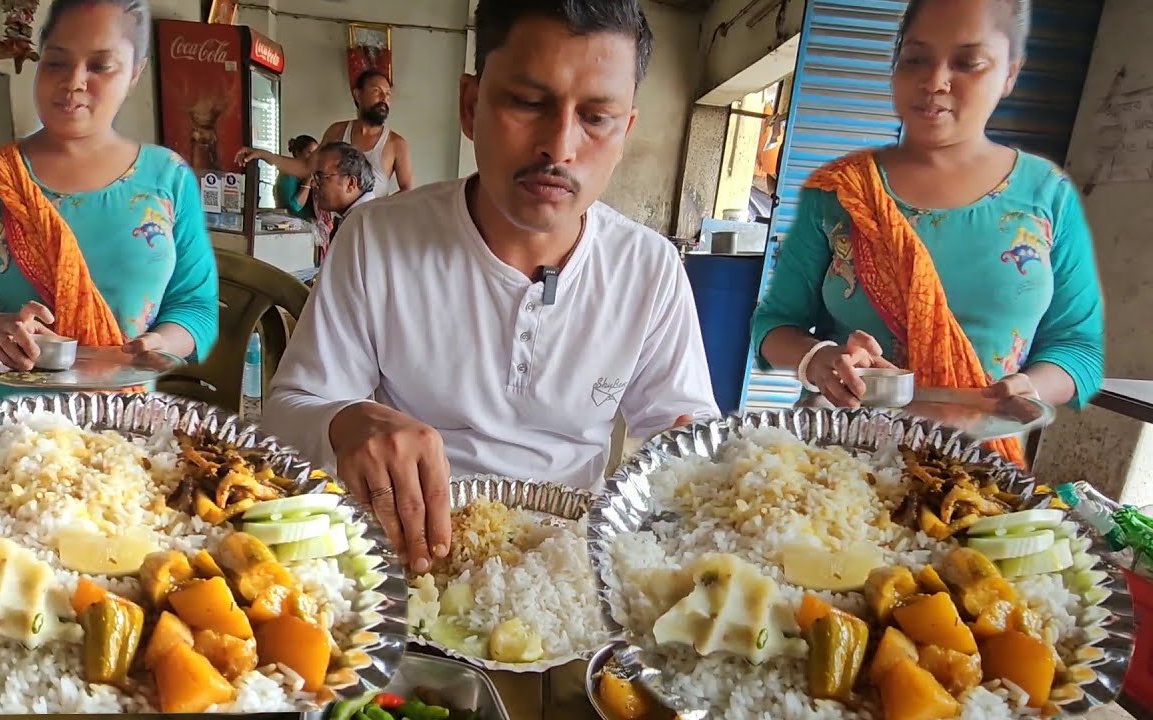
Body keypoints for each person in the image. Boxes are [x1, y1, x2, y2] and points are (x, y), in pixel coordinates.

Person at [266, 0, 718, 573]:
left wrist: (694, 458)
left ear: (625, 132)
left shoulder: (649, 270)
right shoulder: (378, 238)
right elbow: (285, 413)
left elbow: (684, 437)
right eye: (530, 103)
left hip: (563, 574)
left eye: (596, 117)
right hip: (406, 562)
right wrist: (345, 422)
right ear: (470, 105)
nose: (560, 147)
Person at [749, 0, 1103, 466]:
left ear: (1010, 73)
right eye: (915, 58)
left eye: (968, 62)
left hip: (974, 471)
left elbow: (1080, 348)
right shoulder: (840, 192)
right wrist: (819, 358)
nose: (935, 81)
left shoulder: (1047, 196)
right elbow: (772, 325)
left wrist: (1031, 386)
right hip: (839, 473)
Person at [0, 0, 219, 408]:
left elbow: (195, 307)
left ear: (135, 73)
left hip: (121, 422)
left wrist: (159, 343)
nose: (74, 81)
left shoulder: (168, 179)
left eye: (100, 66)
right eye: (57, 63)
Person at [320, 70, 414, 197]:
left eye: (387, 94)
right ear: (358, 95)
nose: (384, 98)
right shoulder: (336, 131)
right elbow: (309, 167)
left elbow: (408, 190)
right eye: (376, 91)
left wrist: (378, 207)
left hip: (376, 216)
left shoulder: (397, 143)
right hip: (339, 217)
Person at [309, 141, 376, 267]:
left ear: (351, 183)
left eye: (321, 176)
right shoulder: (356, 217)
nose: (313, 184)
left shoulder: (364, 226)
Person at [235, 134, 319, 217]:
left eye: (316, 154)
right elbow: (293, 209)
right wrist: (307, 183)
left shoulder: (316, 174)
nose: (313, 157)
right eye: (309, 152)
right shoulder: (287, 176)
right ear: (297, 152)